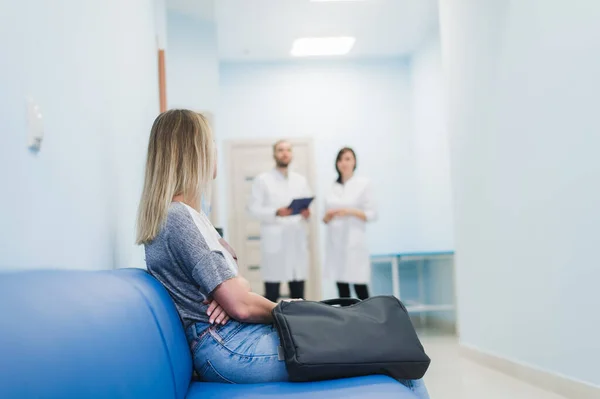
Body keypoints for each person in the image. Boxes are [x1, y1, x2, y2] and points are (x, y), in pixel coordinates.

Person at [136, 110, 429, 397]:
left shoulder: (190, 215)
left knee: (392, 347)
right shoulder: (179, 219)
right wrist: (288, 311)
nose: (214, 151)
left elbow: (237, 285)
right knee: (389, 352)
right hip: (230, 347)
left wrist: (235, 293)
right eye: (210, 143)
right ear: (192, 152)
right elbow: (240, 303)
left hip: (234, 337)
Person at [247, 140, 312, 302]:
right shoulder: (262, 180)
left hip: (295, 240)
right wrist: (276, 212)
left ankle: (299, 327)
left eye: (288, 150)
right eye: (280, 150)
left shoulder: (300, 180)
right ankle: (273, 326)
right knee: (271, 294)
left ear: (292, 154)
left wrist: (306, 213)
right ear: (274, 154)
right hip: (274, 241)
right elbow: (253, 209)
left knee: (298, 294)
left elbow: (309, 210)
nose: (285, 153)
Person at [323, 147, 376, 300]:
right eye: (340, 159)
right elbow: (324, 218)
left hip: (354, 243)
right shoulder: (331, 187)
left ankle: (368, 322)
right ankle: (347, 322)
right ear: (337, 163)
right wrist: (328, 216)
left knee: (360, 287)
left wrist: (350, 211)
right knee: (342, 289)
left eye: (348, 159)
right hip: (335, 244)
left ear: (354, 162)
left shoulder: (364, 184)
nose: (343, 163)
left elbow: (371, 214)